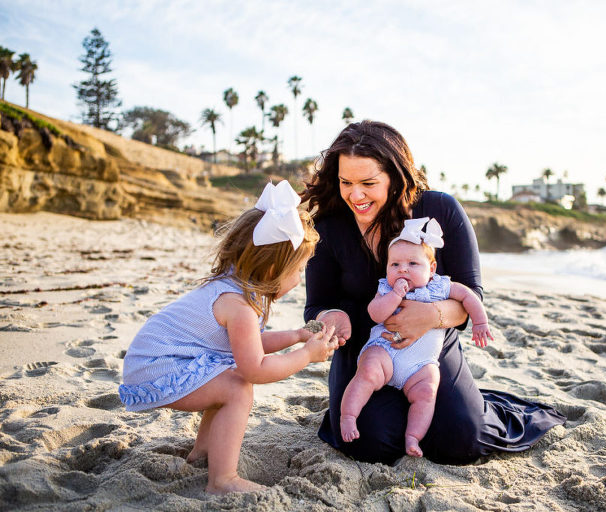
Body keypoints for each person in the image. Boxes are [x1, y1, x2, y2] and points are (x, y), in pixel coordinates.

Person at [302, 120, 566, 465]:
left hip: (429, 346)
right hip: (366, 349)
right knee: (370, 442)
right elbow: (316, 305)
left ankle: (468, 404)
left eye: (368, 183)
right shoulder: (328, 227)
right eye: (345, 182)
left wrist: (430, 316)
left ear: (395, 178)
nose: (355, 195)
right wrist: (331, 317)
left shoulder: (439, 210)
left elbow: (471, 295)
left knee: (462, 440)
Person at [119, 181, 339, 494]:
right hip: (159, 367)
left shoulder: (236, 286)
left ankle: (205, 454)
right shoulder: (237, 304)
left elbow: (247, 344)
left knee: (227, 380)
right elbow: (255, 368)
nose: (299, 278)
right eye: (299, 270)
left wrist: (297, 335)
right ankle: (222, 480)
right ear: (275, 267)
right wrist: (306, 355)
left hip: (156, 361)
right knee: (238, 387)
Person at [340, 217, 494, 457]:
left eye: (413, 263)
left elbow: (468, 296)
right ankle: (348, 416)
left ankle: (413, 436)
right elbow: (375, 313)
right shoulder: (386, 289)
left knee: (427, 391)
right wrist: (394, 296)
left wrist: (480, 322)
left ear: (431, 268)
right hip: (385, 351)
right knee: (367, 371)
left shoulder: (440, 286)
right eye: (395, 264)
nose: (402, 269)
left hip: (421, 364)